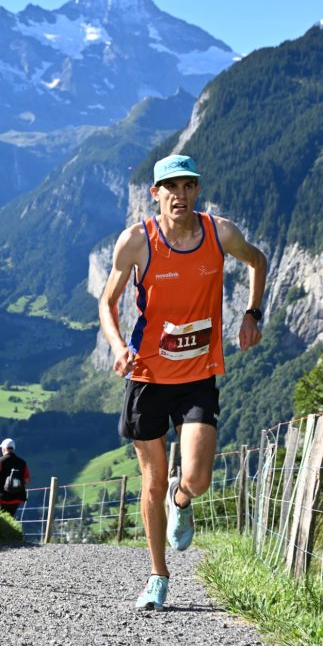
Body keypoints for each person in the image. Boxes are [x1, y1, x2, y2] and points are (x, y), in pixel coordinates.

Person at [98, 154, 267, 611]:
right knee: (150, 482)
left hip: (198, 375)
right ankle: (157, 575)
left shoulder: (220, 233)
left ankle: (182, 497)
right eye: (170, 188)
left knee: (197, 477)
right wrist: (117, 346)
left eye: (188, 186)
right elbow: (107, 303)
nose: (180, 195)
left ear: (196, 190)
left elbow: (258, 261)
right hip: (148, 376)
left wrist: (253, 314)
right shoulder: (137, 242)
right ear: (155, 194)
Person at [0, 438, 30, 517]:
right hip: (18, 497)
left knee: (1, 519)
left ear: (3, 449)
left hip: (3, 498)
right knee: (11, 517)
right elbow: (27, 480)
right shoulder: (22, 462)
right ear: (13, 449)